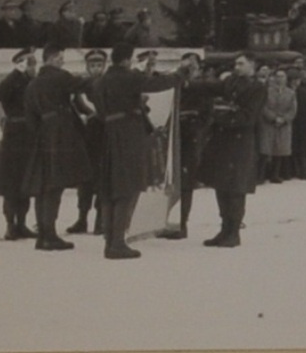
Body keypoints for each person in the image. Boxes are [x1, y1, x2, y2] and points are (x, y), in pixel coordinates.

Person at [90, 42, 181, 259]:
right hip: (128, 136)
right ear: (126, 60)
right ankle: (117, 243)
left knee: (110, 189)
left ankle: (109, 239)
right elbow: (157, 84)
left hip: (109, 136)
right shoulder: (128, 77)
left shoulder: (100, 81)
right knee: (126, 188)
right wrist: (179, 75)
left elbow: (101, 111)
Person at [22, 44, 93, 251]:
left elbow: (30, 118)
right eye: (60, 58)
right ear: (52, 58)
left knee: (43, 187)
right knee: (55, 185)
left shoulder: (32, 84)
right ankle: (50, 236)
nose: (62, 61)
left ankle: (43, 235)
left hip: (42, 136)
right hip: (61, 136)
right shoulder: (60, 77)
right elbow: (84, 84)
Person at [197, 52, 267, 247]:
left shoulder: (258, 88)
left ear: (252, 65)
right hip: (224, 141)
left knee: (236, 188)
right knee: (221, 185)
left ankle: (233, 231)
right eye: (236, 63)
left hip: (240, 143)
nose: (236, 67)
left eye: (241, 63)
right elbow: (209, 87)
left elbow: (248, 117)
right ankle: (224, 229)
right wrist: (186, 83)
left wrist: (221, 117)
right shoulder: (231, 82)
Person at [158, 52, 213, 240]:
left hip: (191, 138)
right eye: (185, 66)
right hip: (173, 136)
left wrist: (196, 130)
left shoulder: (203, 87)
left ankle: (181, 223)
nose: (189, 70)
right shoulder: (174, 84)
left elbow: (207, 116)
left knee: (186, 182)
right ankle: (166, 220)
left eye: (192, 66)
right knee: (169, 180)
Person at [0, 48, 37, 240]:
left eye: (34, 64)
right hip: (13, 137)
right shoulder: (12, 82)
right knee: (11, 183)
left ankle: (22, 223)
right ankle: (10, 225)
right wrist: (16, 72)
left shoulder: (31, 83)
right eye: (30, 64)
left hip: (29, 136)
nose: (34, 68)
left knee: (25, 183)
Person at [66, 49, 108, 235]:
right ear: (87, 66)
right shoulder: (79, 86)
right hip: (85, 138)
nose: (96, 69)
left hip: (105, 137)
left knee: (103, 179)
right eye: (92, 65)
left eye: (99, 65)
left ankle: (101, 219)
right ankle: (82, 218)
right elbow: (76, 107)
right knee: (85, 179)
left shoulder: (108, 84)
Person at [259, 68, 297, 184]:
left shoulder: (291, 93)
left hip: (283, 125)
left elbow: (293, 109)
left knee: (280, 150)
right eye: (278, 76)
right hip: (268, 123)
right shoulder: (267, 91)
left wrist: (284, 119)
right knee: (265, 149)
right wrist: (273, 117)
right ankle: (260, 175)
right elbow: (263, 107)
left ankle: (275, 174)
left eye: (282, 76)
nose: (280, 79)